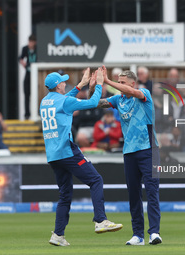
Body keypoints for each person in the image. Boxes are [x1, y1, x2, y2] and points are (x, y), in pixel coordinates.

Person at [40, 68, 122, 247]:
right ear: (58, 85)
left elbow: (63, 100)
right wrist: (99, 84)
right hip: (67, 150)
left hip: (53, 155)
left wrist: (81, 85)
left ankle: (58, 235)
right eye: (63, 82)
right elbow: (92, 102)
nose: (65, 83)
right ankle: (100, 221)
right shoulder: (64, 101)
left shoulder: (45, 101)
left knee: (65, 194)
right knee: (95, 180)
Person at [91, 66, 162, 246]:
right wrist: (93, 87)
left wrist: (107, 81)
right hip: (129, 152)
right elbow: (95, 102)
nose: (120, 86)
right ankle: (138, 235)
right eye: (119, 82)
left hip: (149, 149)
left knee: (152, 192)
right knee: (134, 195)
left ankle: (154, 232)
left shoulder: (143, 93)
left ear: (132, 83)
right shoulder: (118, 99)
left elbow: (131, 92)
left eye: (123, 83)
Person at [19, 34, 37, 119]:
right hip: (28, 73)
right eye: (29, 42)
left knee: (36, 93)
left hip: (36, 74)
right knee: (26, 93)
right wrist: (24, 65)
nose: (30, 44)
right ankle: (27, 113)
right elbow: (20, 58)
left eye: (32, 42)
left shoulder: (38, 49)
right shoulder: (25, 49)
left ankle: (37, 111)